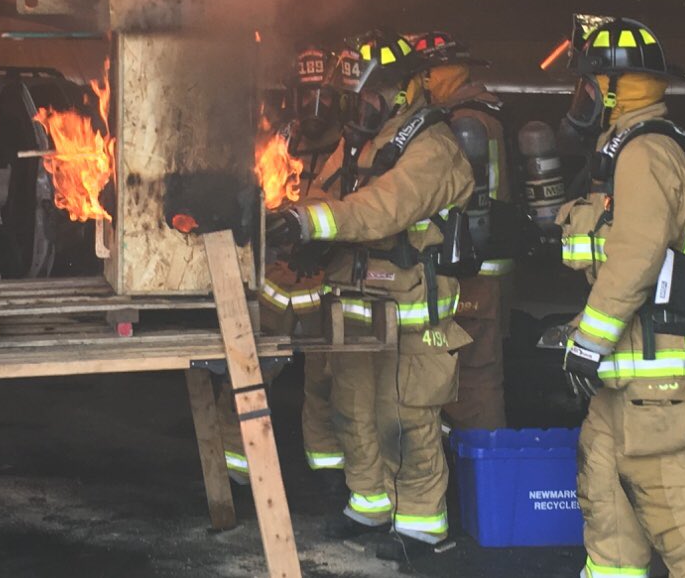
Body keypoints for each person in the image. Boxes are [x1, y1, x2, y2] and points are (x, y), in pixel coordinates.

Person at [266, 29, 474, 561]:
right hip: (355, 301)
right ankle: (369, 504)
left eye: (371, 94)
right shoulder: (361, 140)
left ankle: (421, 526)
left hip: (411, 307)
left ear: (404, 89)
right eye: (354, 96)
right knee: (352, 408)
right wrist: (295, 225)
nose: (361, 105)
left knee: (403, 416)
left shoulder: (434, 147)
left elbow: (385, 208)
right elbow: (325, 194)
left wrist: (312, 220)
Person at [557, 16, 685, 578]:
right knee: (608, 515)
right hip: (623, 383)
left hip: (657, 389)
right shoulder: (619, 151)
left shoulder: (646, 154)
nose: (581, 97)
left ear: (615, 88)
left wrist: (588, 343)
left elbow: (635, 257)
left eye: (588, 84)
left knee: (684, 530)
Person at [220, 47, 344, 484]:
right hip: (275, 278)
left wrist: (328, 245)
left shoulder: (351, 146)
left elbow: (358, 208)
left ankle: (328, 468)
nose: (315, 109)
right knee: (251, 372)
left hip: (324, 281)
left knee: (327, 379)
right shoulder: (278, 141)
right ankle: (236, 466)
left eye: (324, 98)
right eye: (306, 95)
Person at [410, 30, 513, 431]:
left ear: (440, 72)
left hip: (471, 271)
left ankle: (484, 470)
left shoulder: (464, 121)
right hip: (486, 266)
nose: (421, 84)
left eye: (424, 74)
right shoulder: (485, 112)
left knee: (473, 378)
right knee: (476, 373)